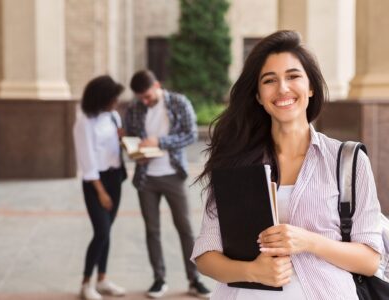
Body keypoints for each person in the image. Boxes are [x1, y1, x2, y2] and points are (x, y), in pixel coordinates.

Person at [191, 30, 384, 300]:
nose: (282, 88)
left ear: (311, 86)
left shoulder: (347, 160)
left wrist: (309, 241)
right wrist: (253, 271)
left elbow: (370, 260)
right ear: (258, 95)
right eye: (269, 80)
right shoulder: (234, 161)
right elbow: (206, 256)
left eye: (293, 76)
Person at [124, 70, 211, 299]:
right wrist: (135, 152)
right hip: (145, 178)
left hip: (173, 174)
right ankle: (159, 279)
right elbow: (131, 138)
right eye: (140, 97)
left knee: (186, 229)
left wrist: (160, 142)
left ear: (157, 85)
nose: (144, 101)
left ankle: (194, 279)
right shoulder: (134, 108)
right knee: (152, 231)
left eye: (147, 96)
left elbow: (191, 134)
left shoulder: (178, 102)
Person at [73, 75, 127, 300]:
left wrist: (123, 139)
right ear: (101, 98)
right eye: (113, 98)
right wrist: (101, 192)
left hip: (115, 178)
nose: (116, 102)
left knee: (107, 232)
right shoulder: (84, 121)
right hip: (96, 183)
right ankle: (86, 284)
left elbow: (115, 147)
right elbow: (87, 162)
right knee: (101, 231)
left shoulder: (113, 116)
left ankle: (102, 279)